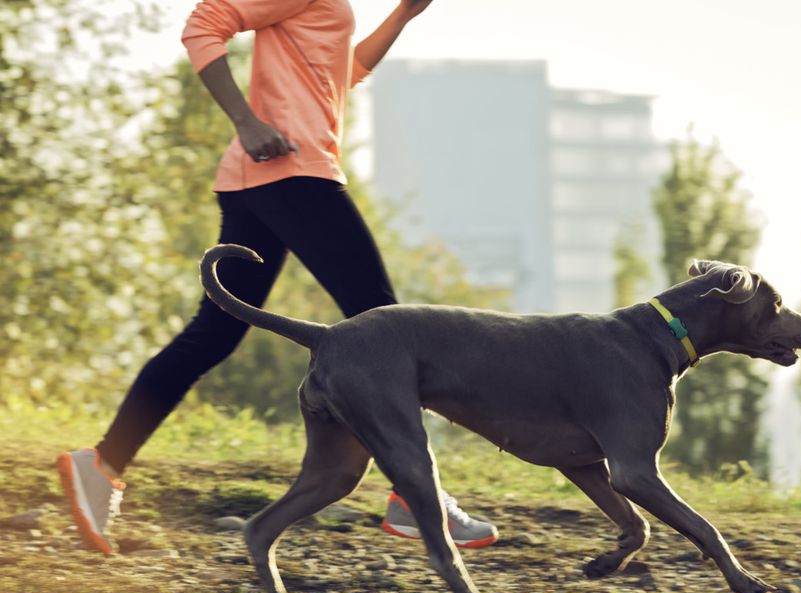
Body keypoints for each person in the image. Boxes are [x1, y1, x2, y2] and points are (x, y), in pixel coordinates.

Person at [57, 0, 498, 556]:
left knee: (214, 335)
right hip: (291, 173)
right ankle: (415, 497)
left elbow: (342, 76)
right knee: (386, 328)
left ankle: (101, 464)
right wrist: (246, 123)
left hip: (268, 177)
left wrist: (403, 16)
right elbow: (204, 25)